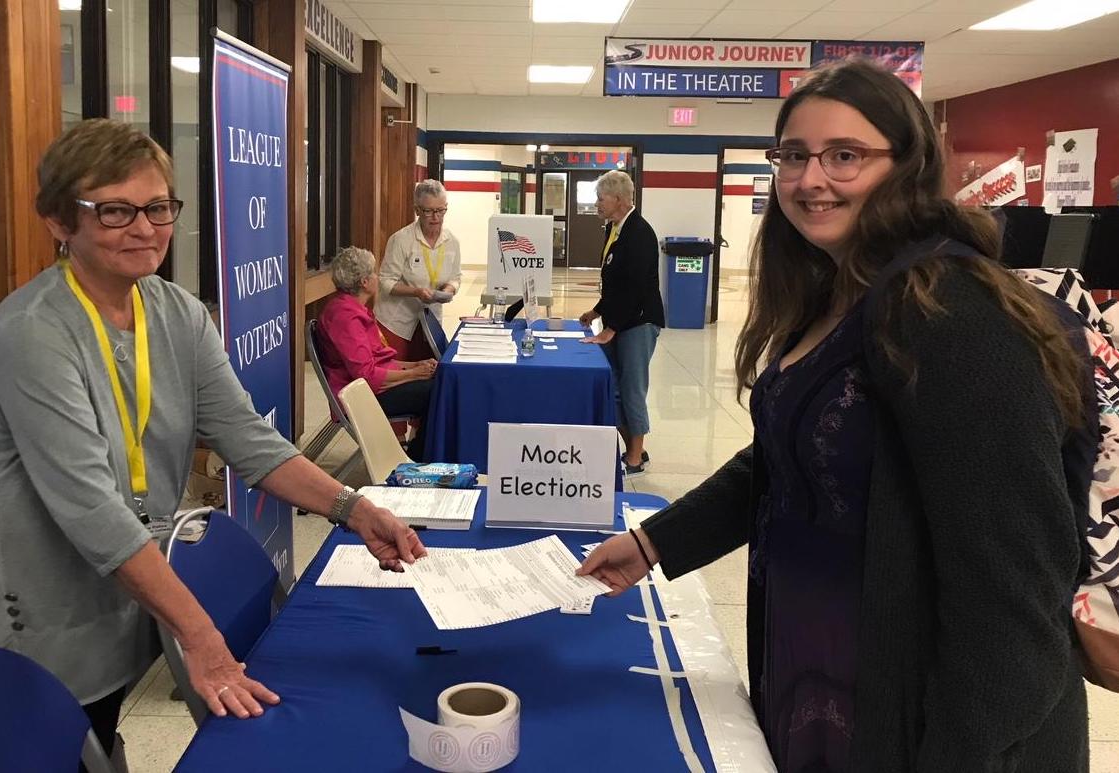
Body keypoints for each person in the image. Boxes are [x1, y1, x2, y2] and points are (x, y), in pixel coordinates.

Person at [578, 59, 1095, 772]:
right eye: (793, 155)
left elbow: (1015, 596)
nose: (810, 178)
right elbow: (788, 455)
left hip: (926, 718)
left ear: (907, 165)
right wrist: (655, 543)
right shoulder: (843, 290)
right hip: (824, 669)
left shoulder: (949, 312)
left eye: (845, 155)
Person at [0, 119, 426, 758]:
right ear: (58, 222)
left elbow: (251, 440)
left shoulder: (175, 313)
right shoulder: (32, 334)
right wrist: (199, 633)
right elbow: (93, 513)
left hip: (118, 583)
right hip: (27, 603)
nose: (144, 227)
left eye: (159, 207)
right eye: (114, 211)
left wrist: (352, 508)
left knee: (101, 737)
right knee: (43, 747)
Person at [315, 246, 438, 460]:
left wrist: (415, 365)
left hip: (372, 388)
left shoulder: (351, 308)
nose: (377, 276)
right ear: (364, 282)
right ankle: (419, 459)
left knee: (440, 381)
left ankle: (421, 453)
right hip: (359, 397)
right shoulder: (346, 318)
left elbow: (380, 359)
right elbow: (367, 375)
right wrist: (414, 374)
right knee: (437, 392)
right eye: (373, 272)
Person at [579, 170, 664, 478]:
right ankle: (634, 446)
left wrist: (611, 328)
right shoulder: (614, 229)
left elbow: (636, 287)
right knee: (613, 386)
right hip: (619, 320)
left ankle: (635, 458)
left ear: (618, 199)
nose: (597, 204)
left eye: (600, 198)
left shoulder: (640, 232)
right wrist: (597, 310)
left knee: (631, 388)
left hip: (639, 323)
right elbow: (615, 282)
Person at [376, 179, 462, 361]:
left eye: (441, 210)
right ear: (417, 210)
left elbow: (456, 277)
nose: (436, 217)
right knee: (396, 374)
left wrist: (448, 290)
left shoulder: (452, 242)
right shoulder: (401, 240)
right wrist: (416, 292)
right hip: (396, 322)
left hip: (430, 322)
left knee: (431, 370)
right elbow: (385, 282)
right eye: (429, 211)